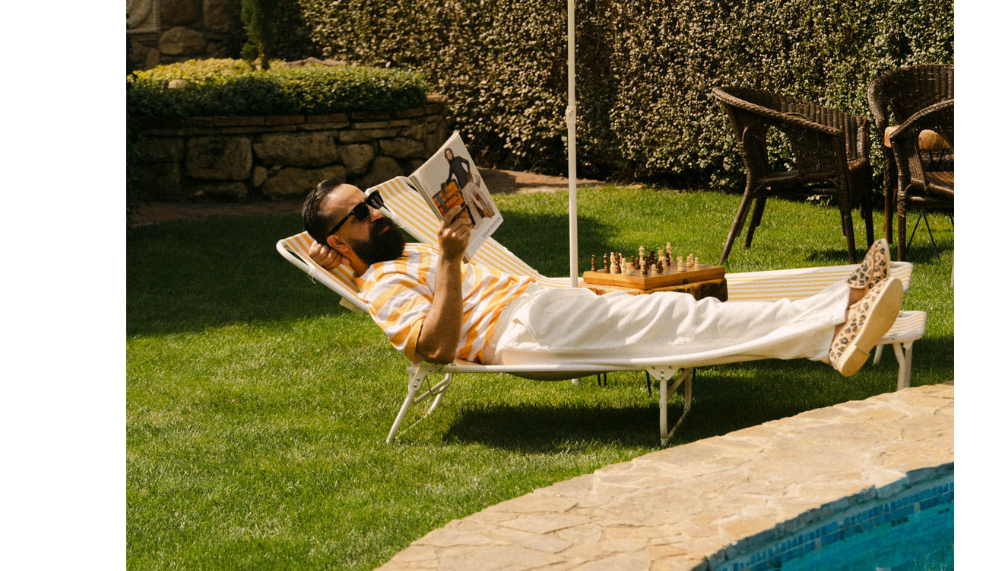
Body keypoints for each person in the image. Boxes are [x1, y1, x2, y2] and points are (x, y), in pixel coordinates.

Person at [300, 179, 903, 378]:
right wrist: (453, 260)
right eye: (360, 214)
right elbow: (431, 350)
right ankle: (840, 304)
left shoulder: (397, 258)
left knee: (681, 320)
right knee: (680, 318)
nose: (377, 213)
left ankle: (829, 336)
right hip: (522, 328)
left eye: (373, 200)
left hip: (540, 304)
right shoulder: (384, 285)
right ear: (337, 239)